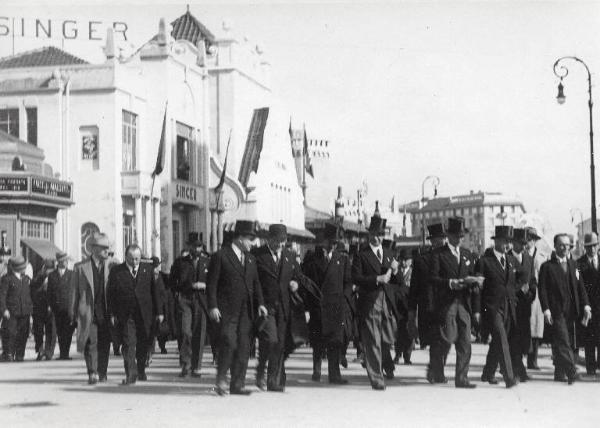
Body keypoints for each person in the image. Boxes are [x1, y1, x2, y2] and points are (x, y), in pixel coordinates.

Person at [207, 220, 267, 396]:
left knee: (243, 347)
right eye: (250, 239)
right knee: (228, 343)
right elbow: (211, 284)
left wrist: (261, 304)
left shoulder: (250, 259)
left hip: (246, 312)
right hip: (227, 310)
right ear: (240, 238)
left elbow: (256, 284)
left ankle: (237, 384)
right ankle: (221, 379)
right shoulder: (221, 256)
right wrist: (213, 306)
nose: (252, 243)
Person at [252, 224, 312, 392]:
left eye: (283, 241)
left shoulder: (290, 256)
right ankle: (260, 369)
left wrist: (296, 283)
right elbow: (253, 280)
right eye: (276, 240)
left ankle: (272, 381)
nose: (279, 244)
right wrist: (259, 303)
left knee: (279, 345)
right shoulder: (258, 255)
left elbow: (299, 277)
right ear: (268, 239)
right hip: (266, 306)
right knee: (270, 340)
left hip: (284, 308)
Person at [429, 217, 480, 388]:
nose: (459, 239)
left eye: (461, 236)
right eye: (457, 236)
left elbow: (472, 273)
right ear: (449, 236)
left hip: (463, 303)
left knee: (465, 340)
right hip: (446, 302)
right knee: (447, 338)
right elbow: (433, 278)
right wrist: (450, 283)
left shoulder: (467, 254)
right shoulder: (438, 254)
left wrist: (474, 281)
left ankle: (462, 378)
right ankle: (435, 368)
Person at [352, 215, 401, 390]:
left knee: (388, 338)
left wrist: (396, 271)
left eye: (380, 234)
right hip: (370, 301)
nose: (376, 237)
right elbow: (356, 277)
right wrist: (376, 279)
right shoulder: (361, 255)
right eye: (373, 234)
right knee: (373, 340)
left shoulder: (389, 254)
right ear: (369, 235)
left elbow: (398, 281)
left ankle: (371, 359)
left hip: (387, 303)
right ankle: (376, 377)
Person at [303, 223, 353, 385]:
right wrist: (307, 306)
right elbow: (306, 282)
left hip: (335, 306)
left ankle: (334, 375)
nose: (332, 245)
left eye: (335, 242)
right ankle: (316, 371)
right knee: (317, 341)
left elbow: (347, 283)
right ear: (324, 241)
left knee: (335, 342)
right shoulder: (312, 258)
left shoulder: (342, 259)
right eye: (330, 242)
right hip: (317, 305)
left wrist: (344, 301)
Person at [539, 233, 591, 384]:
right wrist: (546, 309)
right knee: (562, 341)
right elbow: (542, 290)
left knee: (568, 341)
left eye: (567, 245)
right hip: (556, 310)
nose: (564, 248)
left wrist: (586, 305)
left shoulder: (574, 265)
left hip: (572, 311)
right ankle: (572, 372)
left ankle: (559, 372)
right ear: (555, 246)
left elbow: (581, 287)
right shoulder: (547, 267)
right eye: (561, 244)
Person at [107, 245, 163, 385]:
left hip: (145, 314)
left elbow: (155, 292)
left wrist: (159, 312)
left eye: (137, 258)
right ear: (126, 257)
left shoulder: (148, 270)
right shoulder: (116, 271)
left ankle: (141, 370)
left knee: (143, 343)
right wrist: (112, 313)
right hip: (126, 314)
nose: (135, 262)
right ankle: (130, 373)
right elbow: (111, 294)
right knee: (128, 343)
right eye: (132, 259)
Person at [477, 226, 520, 388]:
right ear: (496, 241)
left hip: (509, 306)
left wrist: (515, 291)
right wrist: (477, 311)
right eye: (504, 241)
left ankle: (488, 373)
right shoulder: (484, 261)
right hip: (492, 308)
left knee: (498, 341)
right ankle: (509, 377)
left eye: (509, 242)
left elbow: (522, 275)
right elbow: (478, 290)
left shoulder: (510, 260)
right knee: (502, 340)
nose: (507, 245)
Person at [72, 233, 116, 384]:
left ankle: (102, 372)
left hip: (105, 311)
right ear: (94, 249)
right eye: (104, 248)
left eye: (107, 248)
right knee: (91, 342)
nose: (107, 251)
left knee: (104, 343)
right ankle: (92, 372)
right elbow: (74, 293)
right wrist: (73, 313)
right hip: (88, 311)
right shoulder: (80, 267)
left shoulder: (111, 266)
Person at [408, 223, 448, 383]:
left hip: (447, 306)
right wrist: (412, 313)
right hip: (428, 306)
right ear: (431, 241)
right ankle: (436, 372)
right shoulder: (422, 260)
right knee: (436, 340)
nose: (439, 242)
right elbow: (414, 289)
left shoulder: (451, 257)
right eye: (436, 239)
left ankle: (435, 368)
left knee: (446, 340)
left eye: (442, 239)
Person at [170, 233, 210, 378]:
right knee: (185, 331)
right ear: (189, 246)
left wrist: (204, 285)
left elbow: (214, 282)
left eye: (199, 246)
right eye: (194, 246)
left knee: (199, 333)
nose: (197, 249)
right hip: (185, 299)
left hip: (201, 300)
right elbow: (172, 282)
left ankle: (196, 366)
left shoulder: (208, 262)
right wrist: (181, 291)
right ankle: (186, 363)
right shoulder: (180, 262)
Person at [509, 228, 537, 381]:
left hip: (525, 306)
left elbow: (533, 281)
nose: (523, 246)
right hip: (512, 306)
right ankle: (518, 370)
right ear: (513, 242)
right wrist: (520, 290)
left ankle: (518, 369)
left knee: (524, 339)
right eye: (520, 243)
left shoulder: (529, 258)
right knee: (513, 338)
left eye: (525, 243)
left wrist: (531, 293)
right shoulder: (507, 258)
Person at [0, 256, 33, 362]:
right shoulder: (7, 279)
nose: (24, 268)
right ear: (17, 268)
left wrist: (30, 309)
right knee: (10, 333)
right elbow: (2, 296)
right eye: (23, 267)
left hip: (24, 311)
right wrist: (4, 309)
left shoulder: (26, 279)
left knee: (23, 334)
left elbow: (28, 295)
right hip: (11, 312)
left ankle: (20, 354)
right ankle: (8, 354)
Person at [576, 232, 600, 375]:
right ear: (585, 247)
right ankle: (590, 368)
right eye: (589, 246)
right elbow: (579, 286)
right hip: (588, 306)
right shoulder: (579, 263)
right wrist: (585, 305)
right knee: (590, 337)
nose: (592, 249)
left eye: (594, 246)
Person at [47, 251, 75, 360]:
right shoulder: (52, 275)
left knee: (68, 331)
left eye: (66, 261)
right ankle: (62, 353)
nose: (65, 262)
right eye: (63, 261)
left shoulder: (72, 274)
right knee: (59, 331)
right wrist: (49, 305)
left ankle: (65, 353)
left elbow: (74, 291)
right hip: (56, 308)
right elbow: (49, 292)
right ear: (58, 262)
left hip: (69, 307)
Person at [525, 227, 545, 370]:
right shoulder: (519, 254)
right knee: (522, 327)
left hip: (537, 296)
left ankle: (533, 360)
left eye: (531, 239)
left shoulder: (541, 257)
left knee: (536, 329)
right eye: (526, 238)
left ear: (535, 241)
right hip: (522, 295)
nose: (528, 242)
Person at [30, 260, 57, 361]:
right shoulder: (37, 278)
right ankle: (40, 351)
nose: (48, 272)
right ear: (43, 269)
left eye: (50, 270)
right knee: (39, 331)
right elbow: (33, 291)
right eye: (47, 269)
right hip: (39, 308)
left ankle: (49, 352)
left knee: (51, 331)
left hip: (52, 309)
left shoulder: (54, 277)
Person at [394, 248, 414, 365]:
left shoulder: (414, 272)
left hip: (410, 304)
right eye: (402, 259)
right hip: (398, 304)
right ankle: (397, 354)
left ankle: (407, 355)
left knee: (409, 331)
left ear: (410, 261)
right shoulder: (397, 271)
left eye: (406, 260)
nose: (403, 262)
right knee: (399, 331)